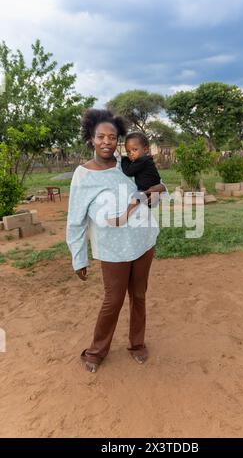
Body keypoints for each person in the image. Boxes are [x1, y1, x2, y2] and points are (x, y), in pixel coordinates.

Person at [66, 109, 167, 373]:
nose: (107, 142)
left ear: (118, 139)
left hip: (143, 241)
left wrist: (154, 195)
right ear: (91, 138)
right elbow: (76, 220)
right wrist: (79, 257)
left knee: (139, 295)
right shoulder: (83, 175)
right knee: (113, 300)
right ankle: (97, 351)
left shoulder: (127, 163)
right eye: (101, 136)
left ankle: (137, 344)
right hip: (112, 249)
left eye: (112, 137)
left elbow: (155, 187)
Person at [106, 131, 161, 227]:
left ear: (145, 149)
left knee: (135, 200)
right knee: (145, 210)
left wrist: (123, 159)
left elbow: (128, 171)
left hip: (148, 190)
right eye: (128, 152)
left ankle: (123, 218)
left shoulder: (142, 161)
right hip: (152, 191)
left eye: (134, 150)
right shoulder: (146, 160)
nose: (131, 154)